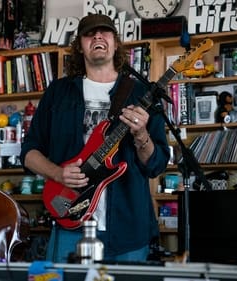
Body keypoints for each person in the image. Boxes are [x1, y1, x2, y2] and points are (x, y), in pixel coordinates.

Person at [20, 14, 170, 263]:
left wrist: (141, 134)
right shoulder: (58, 92)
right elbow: (29, 152)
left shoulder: (142, 93)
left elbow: (156, 164)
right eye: (90, 33)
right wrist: (57, 173)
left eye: (105, 32)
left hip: (127, 227)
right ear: (79, 45)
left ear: (115, 42)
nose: (98, 36)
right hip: (70, 219)